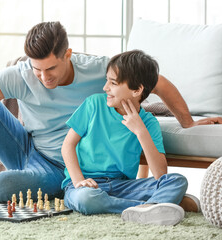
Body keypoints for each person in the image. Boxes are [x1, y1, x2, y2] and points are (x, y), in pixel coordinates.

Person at [0, 21, 222, 204]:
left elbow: (160, 82)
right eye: (36, 69)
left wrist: (189, 124)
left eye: (50, 68)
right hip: (25, 148)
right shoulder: (23, 74)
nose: (43, 77)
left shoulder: (97, 71)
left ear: (68, 53)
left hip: (61, 166)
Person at [62, 50, 191, 226]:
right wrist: (79, 181)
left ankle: (155, 205)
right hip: (86, 185)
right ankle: (151, 207)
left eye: (113, 83)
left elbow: (160, 174)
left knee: (177, 180)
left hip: (123, 187)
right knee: (86, 199)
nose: (105, 87)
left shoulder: (148, 122)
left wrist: (140, 131)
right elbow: (67, 146)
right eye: (107, 80)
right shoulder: (94, 104)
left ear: (137, 89)